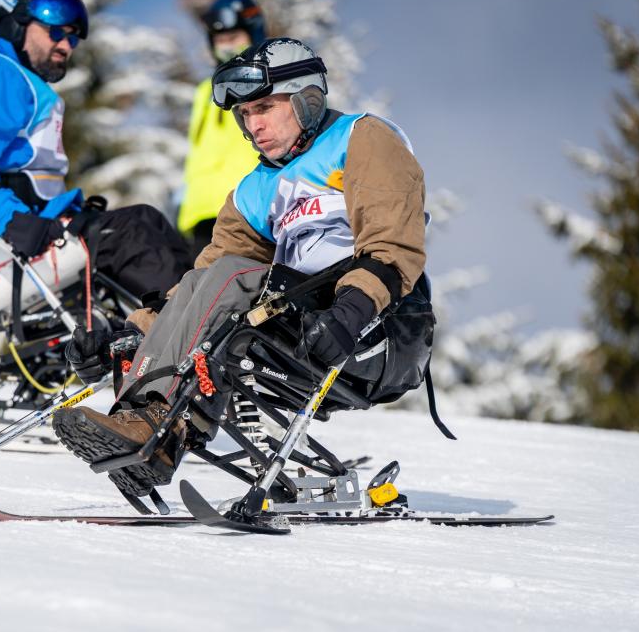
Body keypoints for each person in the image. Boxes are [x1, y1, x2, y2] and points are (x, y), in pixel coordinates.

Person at [54, 37, 429, 498]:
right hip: (296, 327)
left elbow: (393, 244)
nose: (255, 126)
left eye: (265, 107)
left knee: (234, 276)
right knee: (215, 277)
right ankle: (156, 433)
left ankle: (153, 422)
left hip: (376, 330)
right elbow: (200, 287)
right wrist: (128, 336)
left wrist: (350, 313)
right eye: (245, 115)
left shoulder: (360, 139)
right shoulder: (255, 189)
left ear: (307, 98)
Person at [0, 0, 192, 327]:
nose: (66, 45)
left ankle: (158, 344)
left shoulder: (18, 80)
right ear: (16, 22)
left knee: (142, 226)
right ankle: (198, 335)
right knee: (132, 232)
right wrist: (12, 220)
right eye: (56, 31)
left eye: (73, 38)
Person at [177, 0, 268, 256]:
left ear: (253, 33)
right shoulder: (205, 91)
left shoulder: (265, 79)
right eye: (220, 39)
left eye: (234, 37)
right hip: (198, 217)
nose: (227, 45)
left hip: (242, 210)